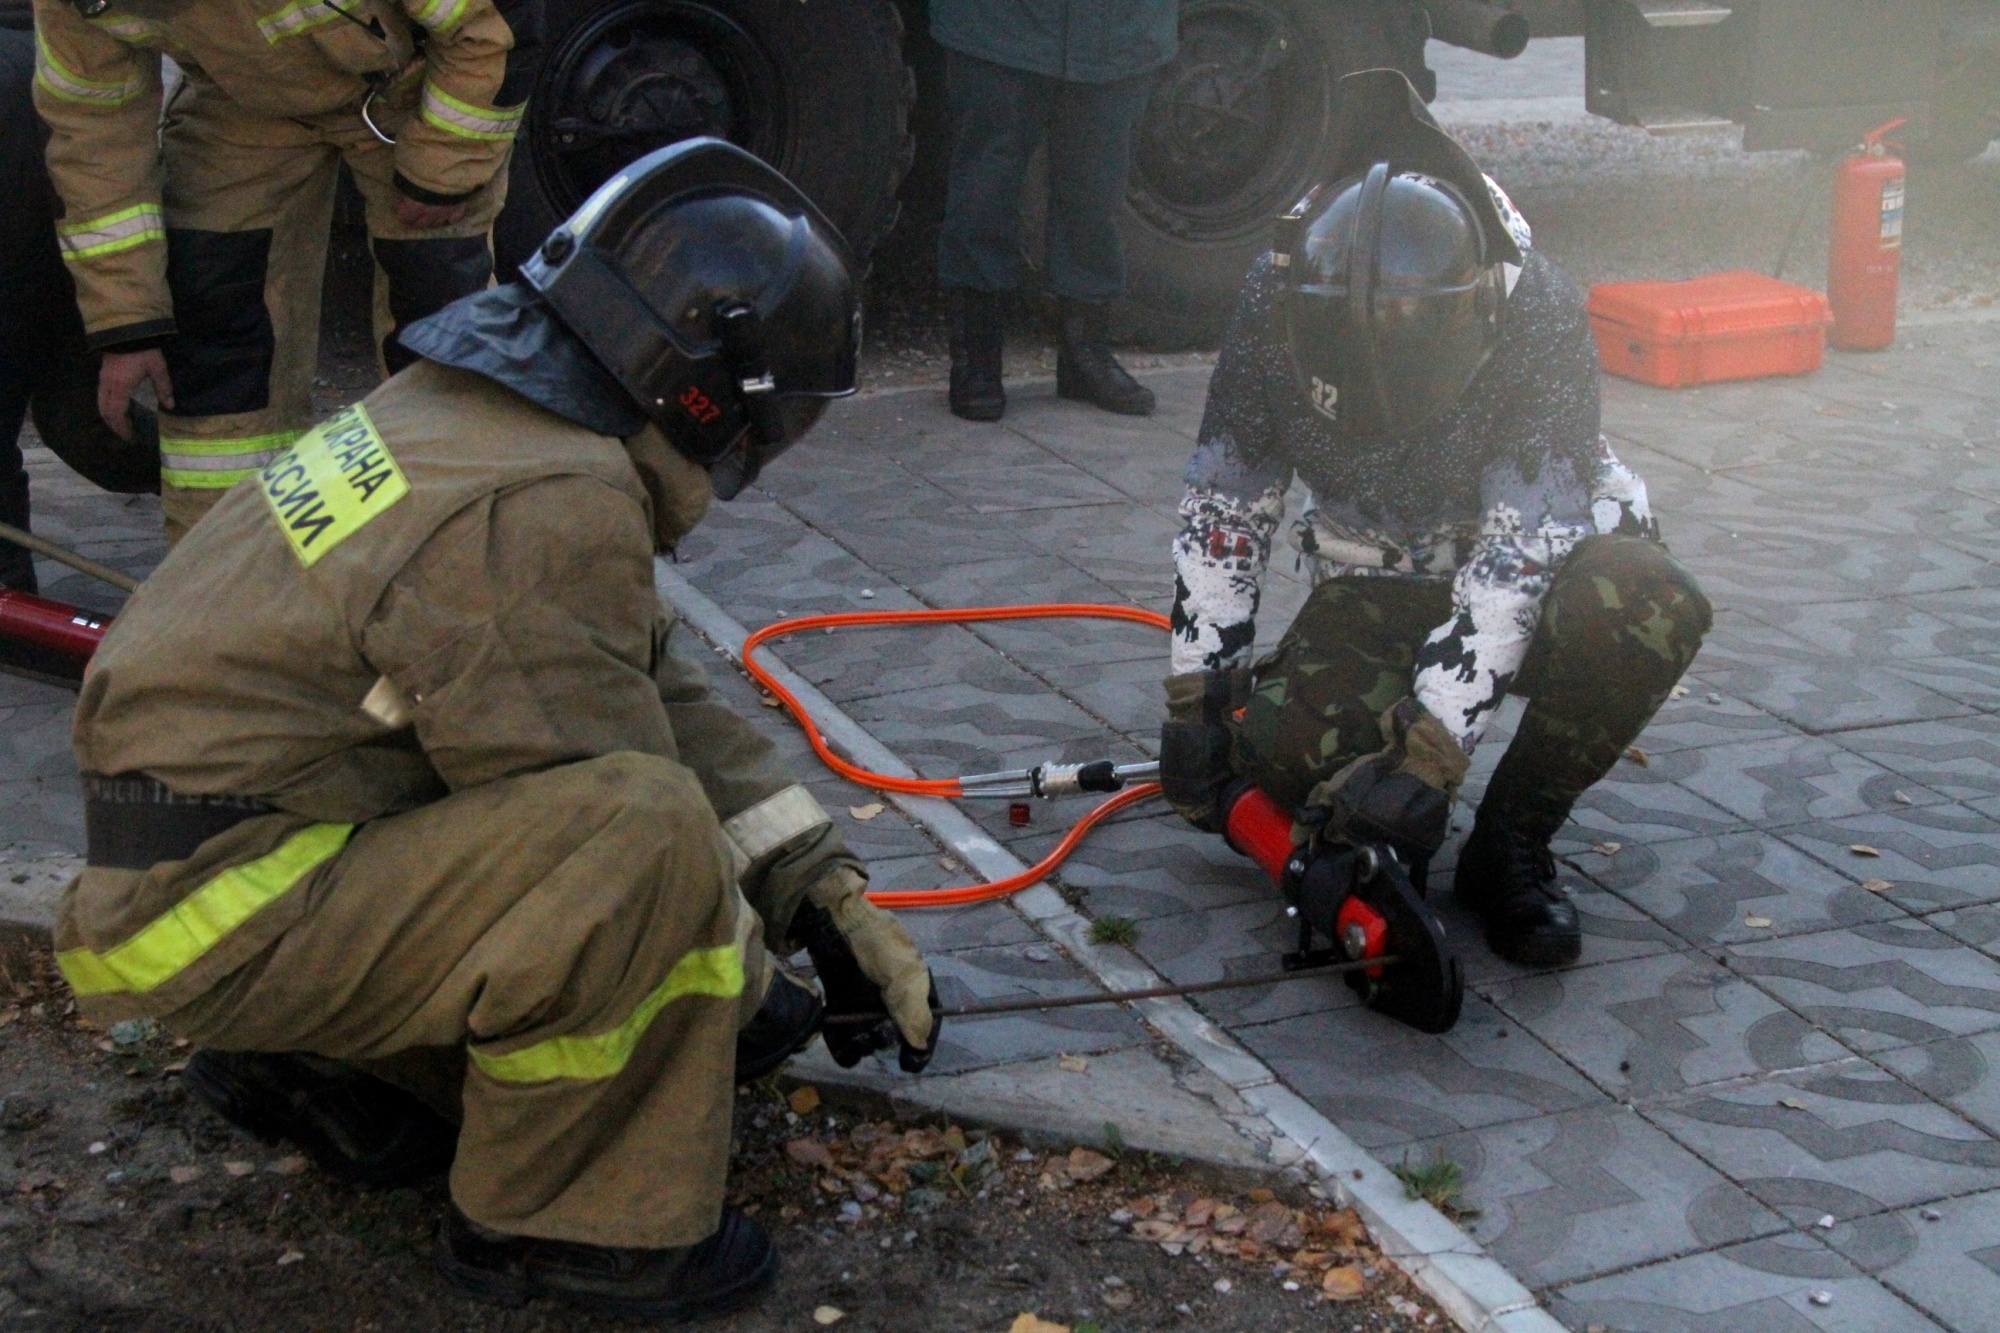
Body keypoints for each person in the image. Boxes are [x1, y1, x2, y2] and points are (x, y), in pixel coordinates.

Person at [56, 138, 939, 1322]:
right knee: (640, 840)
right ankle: (565, 1227)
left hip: (204, 860)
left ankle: (323, 1062)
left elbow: (634, 668)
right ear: (712, 391)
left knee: (624, 833)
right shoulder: (543, 503)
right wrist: (747, 990)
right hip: (230, 901)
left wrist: (816, 891)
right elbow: (600, 820)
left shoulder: (477, 413)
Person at [1159, 71, 1710, 970]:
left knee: (1645, 605)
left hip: (1538, 568)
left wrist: (1429, 762)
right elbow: (1227, 501)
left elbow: (1521, 554)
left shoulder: (1533, 304)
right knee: (1286, 759)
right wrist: (1197, 698)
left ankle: (1511, 846)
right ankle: (1358, 784)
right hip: (1372, 578)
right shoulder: (1278, 295)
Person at [31, 0, 536, 543]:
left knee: (437, 337)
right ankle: (224, 574)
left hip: (406, 92)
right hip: (240, 108)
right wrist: (127, 319)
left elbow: (496, 26)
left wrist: (443, 168)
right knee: (213, 332)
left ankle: (442, 556)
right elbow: (95, 134)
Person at [930, 0, 1177, 422]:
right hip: (999, 27)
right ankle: (977, 355)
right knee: (985, 188)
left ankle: (1085, 353)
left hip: (1117, 30)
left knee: (1098, 192)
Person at [0, 17, 158, 592]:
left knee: (84, 420)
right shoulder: (41, 46)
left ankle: (15, 622)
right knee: (84, 421)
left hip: (37, 238)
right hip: (78, 250)